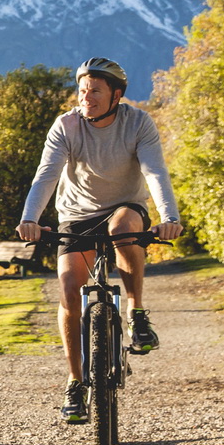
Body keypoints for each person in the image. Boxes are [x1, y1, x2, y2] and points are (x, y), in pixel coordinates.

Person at [15, 57, 183, 424]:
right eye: (82, 90)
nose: (86, 97)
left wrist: (170, 217)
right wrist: (30, 218)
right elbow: (46, 175)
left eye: (95, 91)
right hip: (75, 214)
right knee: (69, 288)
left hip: (123, 206)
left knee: (124, 228)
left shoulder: (138, 123)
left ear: (116, 95)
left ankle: (137, 314)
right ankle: (75, 382)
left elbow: (155, 171)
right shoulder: (67, 126)